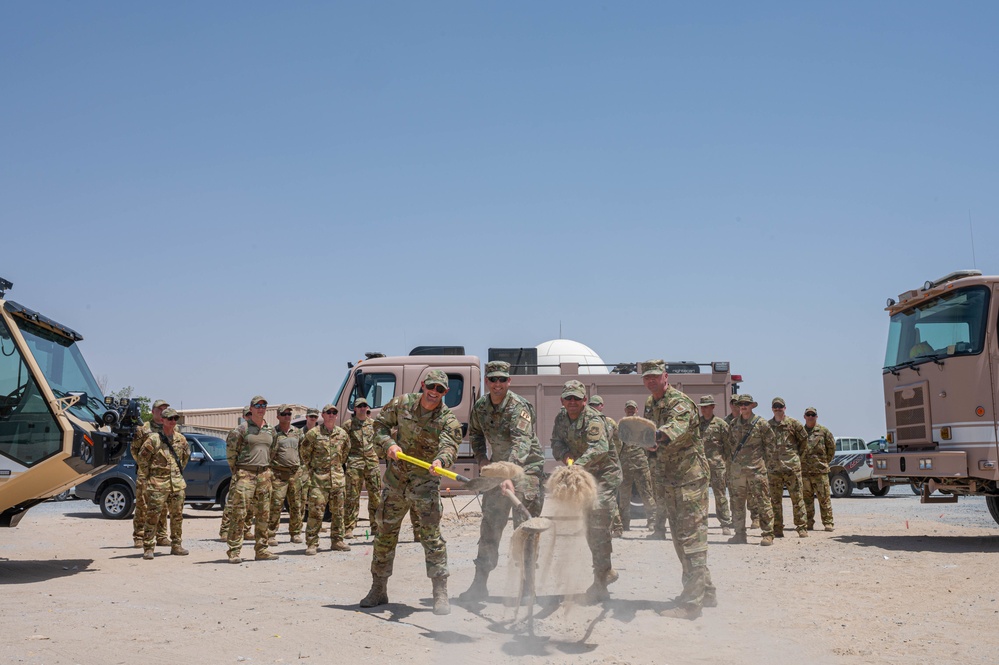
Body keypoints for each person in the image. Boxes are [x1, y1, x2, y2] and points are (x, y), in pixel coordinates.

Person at [360, 369, 462, 616]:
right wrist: (389, 444)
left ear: (445, 393)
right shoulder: (402, 404)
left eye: (440, 389)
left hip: (425, 485)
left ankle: (440, 592)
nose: (434, 392)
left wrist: (441, 461)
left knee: (431, 538)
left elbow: (450, 445)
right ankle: (378, 588)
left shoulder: (448, 420)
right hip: (396, 482)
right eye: (431, 386)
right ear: (423, 385)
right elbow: (379, 426)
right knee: (385, 535)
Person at [459, 360, 544, 602]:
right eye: (493, 380)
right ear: (487, 381)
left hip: (526, 470)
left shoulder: (519, 407)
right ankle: (479, 584)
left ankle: (528, 587)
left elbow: (521, 444)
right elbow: (474, 433)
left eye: (502, 380)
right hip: (499, 470)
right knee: (490, 527)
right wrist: (482, 459)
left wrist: (509, 476)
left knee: (525, 530)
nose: (497, 384)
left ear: (509, 381)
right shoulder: (481, 407)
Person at [642, 360, 716, 620]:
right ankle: (705, 592)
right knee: (681, 539)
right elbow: (649, 437)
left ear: (665, 376)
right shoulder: (650, 404)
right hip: (669, 480)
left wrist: (655, 438)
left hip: (689, 480)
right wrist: (647, 444)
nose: (651, 381)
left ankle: (691, 604)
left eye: (655, 376)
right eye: (646, 377)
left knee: (692, 540)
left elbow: (673, 428)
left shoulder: (680, 402)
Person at [551, 379, 622, 604]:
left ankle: (602, 579)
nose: (572, 402)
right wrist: (564, 457)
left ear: (584, 400)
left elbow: (600, 447)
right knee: (591, 526)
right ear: (562, 400)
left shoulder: (593, 419)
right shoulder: (561, 418)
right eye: (568, 398)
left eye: (577, 398)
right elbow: (556, 442)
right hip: (583, 476)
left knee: (598, 525)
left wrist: (577, 465)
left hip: (604, 477)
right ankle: (605, 572)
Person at [225, 395, 279, 563]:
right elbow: (231, 453)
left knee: (264, 514)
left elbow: (273, 451)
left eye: (264, 405)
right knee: (239, 513)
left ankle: (261, 550)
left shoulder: (271, 430)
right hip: (245, 475)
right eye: (257, 405)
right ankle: (234, 551)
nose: (261, 408)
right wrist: (238, 471)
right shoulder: (241, 430)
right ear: (251, 408)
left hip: (264, 475)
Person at [137, 408, 190, 560]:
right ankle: (148, 547)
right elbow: (142, 459)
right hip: (158, 484)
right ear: (163, 420)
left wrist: (176, 474)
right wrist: (150, 476)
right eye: (170, 418)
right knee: (153, 515)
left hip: (177, 484)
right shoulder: (154, 439)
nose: (173, 421)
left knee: (177, 516)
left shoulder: (181, 439)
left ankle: (176, 545)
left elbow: (185, 458)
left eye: (175, 418)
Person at [725, 394, 776, 546]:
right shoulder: (733, 424)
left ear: (752, 406)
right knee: (737, 504)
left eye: (746, 404)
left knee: (763, 502)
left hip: (756, 471)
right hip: (738, 473)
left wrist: (763, 464)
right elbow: (730, 446)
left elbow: (771, 446)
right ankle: (739, 534)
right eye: (741, 404)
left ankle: (768, 534)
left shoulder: (761, 424)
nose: (743, 406)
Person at [301, 404, 351, 554]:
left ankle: (337, 541)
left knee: (339, 513)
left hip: (337, 480)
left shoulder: (342, 434)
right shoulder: (313, 434)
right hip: (318, 480)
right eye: (328, 412)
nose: (331, 415)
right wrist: (314, 470)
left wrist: (335, 469)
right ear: (323, 415)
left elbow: (345, 454)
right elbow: (304, 454)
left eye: (334, 412)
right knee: (316, 513)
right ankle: (312, 543)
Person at [767, 397, 809, 538]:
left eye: (780, 406)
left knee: (797, 499)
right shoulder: (767, 426)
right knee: (775, 501)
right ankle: (777, 529)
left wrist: (797, 459)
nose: (778, 409)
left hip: (792, 469)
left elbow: (804, 442)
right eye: (775, 406)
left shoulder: (794, 424)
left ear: (785, 408)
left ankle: (802, 527)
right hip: (774, 470)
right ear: (772, 408)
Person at [131, 399, 170, 548]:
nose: (162, 412)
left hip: (164, 474)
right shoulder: (143, 429)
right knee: (143, 505)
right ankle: (139, 536)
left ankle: (161, 536)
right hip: (146, 474)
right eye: (159, 410)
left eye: (165, 409)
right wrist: (145, 466)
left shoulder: (172, 428)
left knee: (163, 505)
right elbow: (134, 450)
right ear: (153, 411)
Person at [343, 398, 382, 538]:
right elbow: (342, 445)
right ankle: (349, 528)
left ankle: (376, 527)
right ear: (355, 409)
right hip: (355, 463)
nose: (362, 408)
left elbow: (381, 441)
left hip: (372, 463)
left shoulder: (374, 424)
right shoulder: (348, 426)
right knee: (352, 497)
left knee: (375, 497)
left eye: (364, 406)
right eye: (359, 406)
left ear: (367, 408)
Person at [267, 405, 305, 545]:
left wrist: (302, 468)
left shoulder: (297, 432)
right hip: (278, 474)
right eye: (284, 414)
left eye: (289, 414)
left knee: (296, 505)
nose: (287, 416)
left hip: (295, 473)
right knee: (276, 504)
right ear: (278, 416)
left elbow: (303, 450)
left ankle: (295, 533)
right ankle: (270, 534)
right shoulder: (273, 433)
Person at [618, 399, 657, 532]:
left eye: (633, 408)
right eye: (628, 408)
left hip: (641, 464)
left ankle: (652, 521)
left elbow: (651, 443)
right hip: (625, 466)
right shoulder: (621, 425)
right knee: (624, 496)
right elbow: (618, 446)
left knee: (647, 493)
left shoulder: (643, 425)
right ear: (625, 410)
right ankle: (624, 523)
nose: (630, 410)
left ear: (637, 410)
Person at [588, 395, 625, 537]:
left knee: (607, 498)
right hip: (593, 465)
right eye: (592, 405)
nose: (594, 407)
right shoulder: (589, 422)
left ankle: (616, 527)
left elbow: (618, 442)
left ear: (602, 406)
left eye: (596, 405)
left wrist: (613, 457)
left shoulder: (609, 422)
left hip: (608, 465)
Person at [697, 396, 733, 535]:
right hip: (700, 466)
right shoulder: (696, 424)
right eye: (702, 406)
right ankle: (701, 524)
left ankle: (725, 523)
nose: (704, 409)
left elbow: (728, 445)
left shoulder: (721, 424)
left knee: (720, 495)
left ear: (712, 407)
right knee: (700, 496)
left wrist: (725, 462)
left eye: (706, 406)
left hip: (717, 465)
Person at [220, 406, 254, 541]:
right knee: (232, 503)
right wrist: (235, 470)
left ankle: (246, 529)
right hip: (240, 472)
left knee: (250, 504)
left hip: (253, 473)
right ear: (244, 416)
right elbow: (231, 453)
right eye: (248, 414)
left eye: (251, 414)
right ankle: (225, 530)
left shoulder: (256, 432)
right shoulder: (237, 432)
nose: (250, 416)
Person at [800, 407, 836, 532]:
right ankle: (809, 523)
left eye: (813, 414)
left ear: (816, 416)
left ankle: (828, 522)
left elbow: (831, 448)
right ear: (804, 416)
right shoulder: (800, 432)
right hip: (804, 472)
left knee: (824, 498)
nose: (810, 417)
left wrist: (824, 462)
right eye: (808, 414)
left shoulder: (823, 431)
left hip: (820, 471)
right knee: (806, 500)